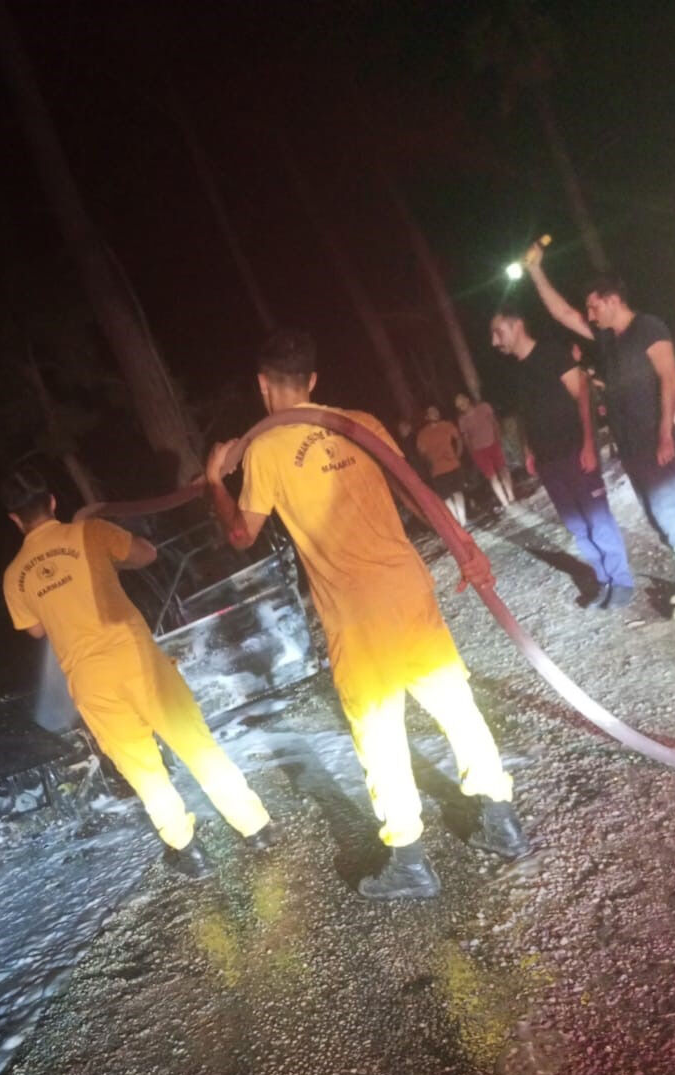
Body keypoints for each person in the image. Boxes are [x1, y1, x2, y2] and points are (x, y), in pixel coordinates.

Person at [204, 329, 529, 902]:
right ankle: (502, 821)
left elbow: (239, 535)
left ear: (263, 385)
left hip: (355, 613)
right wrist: (464, 547)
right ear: (313, 381)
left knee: (379, 730)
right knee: (455, 706)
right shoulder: (362, 422)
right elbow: (415, 494)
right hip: (408, 586)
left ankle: (409, 860)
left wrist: (214, 480)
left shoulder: (266, 450)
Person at [0, 463, 272, 879]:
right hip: (137, 659)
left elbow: (35, 628)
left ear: (15, 519)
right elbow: (147, 554)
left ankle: (188, 851)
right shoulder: (89, 533)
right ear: (52, 501)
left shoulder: (14, 577)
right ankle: (255, 829)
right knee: (195, 743)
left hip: (90, 681)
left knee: (142, 769)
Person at [523, 243, 675, 620]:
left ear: (612, 300)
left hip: (655, 440)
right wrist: (536, 271)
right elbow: (563, 313)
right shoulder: (608, 341)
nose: (589, 314)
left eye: (594, 306)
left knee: (674, 509)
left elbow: (669, 379)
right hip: (634, 446)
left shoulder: (648, 327)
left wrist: (666, 432)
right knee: (659, 516)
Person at [490, 309, 635, 610]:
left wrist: (588, 444)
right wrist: (529, 450)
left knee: (597, 519)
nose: (494, 341)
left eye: (498, 332)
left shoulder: (551, 353)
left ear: (516, 325)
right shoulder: (517, 371)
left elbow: (582, 394)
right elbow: (526, 414)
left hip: (573, 451)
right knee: (577, 526)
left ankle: (621, 581)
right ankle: (603, 579)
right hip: (548, 461)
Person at [455, 392, 514, 509]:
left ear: (467, 399)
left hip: (493, 443)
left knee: (503, 470)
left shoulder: (484, 407)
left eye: (462, 403)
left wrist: (498, 438)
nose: (462, 406)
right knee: (492, 476)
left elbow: (494, 423)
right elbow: (466, 439)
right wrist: (473, 453)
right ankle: (504, 501)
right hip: (479, 451)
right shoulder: (462, 420)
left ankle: (511, 495)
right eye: (459, 406)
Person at [415, 404, 468, 525]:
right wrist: (430, 463)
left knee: (458, 492)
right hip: (438, 471)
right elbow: (422, 454)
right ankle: (455, 522)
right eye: (431, 412)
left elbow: (459, 439)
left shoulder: (447, 425)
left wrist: (458, 454)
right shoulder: (422, 434)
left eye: (436, 411)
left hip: (453, 465)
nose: (434, 413)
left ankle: (463, 520)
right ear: (427, 417)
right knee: (447, 497)